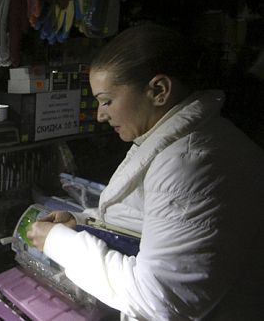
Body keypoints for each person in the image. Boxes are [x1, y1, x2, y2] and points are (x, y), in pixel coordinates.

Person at [27, 24, 264, 320]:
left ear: (159, 90)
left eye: (107, 100)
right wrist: (84, 223)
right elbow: (152, 223)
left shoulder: (192, 165)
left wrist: (59, 243)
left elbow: (161, 298)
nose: (101, 115)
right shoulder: (173, 141)